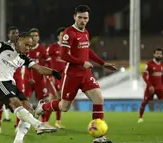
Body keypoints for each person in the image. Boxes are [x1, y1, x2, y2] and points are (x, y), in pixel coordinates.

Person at [34, 5, 117, 143]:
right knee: (64, 107)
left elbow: (88, 51)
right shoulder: (69, 33)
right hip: (72, 75)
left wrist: (102, 63)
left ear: (88, 19)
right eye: (80, 18)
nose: (82, 21)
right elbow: (64, 55)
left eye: (85, 18)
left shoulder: (85, 32)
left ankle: (99, 137)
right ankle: (42, 107)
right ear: (74, 17)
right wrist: (81, 62)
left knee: (99, 99)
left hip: (85, 74)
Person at [0, 32, 60, 143]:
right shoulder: (2, 47)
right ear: (19, 40)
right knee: (15, 102)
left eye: (30, 46)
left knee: (29, 108)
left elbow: (39, 68)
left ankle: (18, 140)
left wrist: (53, 72)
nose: (28, 48)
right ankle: (38, 125)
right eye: (26, 44)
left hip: (11, 85)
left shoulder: (23, 57)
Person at [138, 48, 163, 123]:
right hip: (150, 88)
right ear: (154, 54)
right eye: (157, 53)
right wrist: (150, 85)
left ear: (162, 55)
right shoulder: (149, 64)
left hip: (160, 87)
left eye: (160, 54)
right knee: (144, 102)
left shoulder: (162, 65)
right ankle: (140, 117)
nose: (159, 55)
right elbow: (144, 76)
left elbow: (162, 77)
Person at [28, 28, 51, 123]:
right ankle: (23, 124)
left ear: (39, 37)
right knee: (25, 103)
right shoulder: (25, 48)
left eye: (36, 36)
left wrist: (50, 75)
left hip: (39, 80)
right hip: (27, 80)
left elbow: (49, 64)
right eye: (32, 36)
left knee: (45, 101)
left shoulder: (42, 49)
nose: (34, 38)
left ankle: (44, 122)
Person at [45, 27, 67, 128]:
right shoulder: (53, 47)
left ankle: (57, 122)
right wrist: (49, 73)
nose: (63, 37)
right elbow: (45, 59)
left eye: (65, 35)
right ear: (58, 36)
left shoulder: (68, 48)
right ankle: (45, 122)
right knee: (54, 98)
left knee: (58, 99)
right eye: (62, 35)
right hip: (53, 76)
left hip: (63, 77)